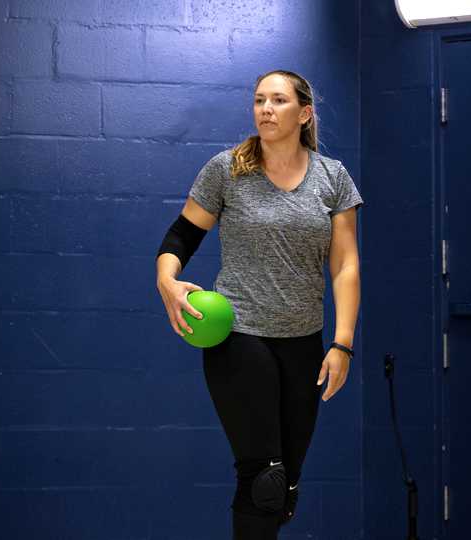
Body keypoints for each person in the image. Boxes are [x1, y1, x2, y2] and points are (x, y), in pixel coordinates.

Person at [155, 69, 364, 539]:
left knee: (285, 487)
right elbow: (182, 235)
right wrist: (166, 279)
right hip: (238, 336)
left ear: (304, 113)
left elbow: (345, 266)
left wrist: (343, 342)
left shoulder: (333, 179)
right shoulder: (228, 169)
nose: (265, 109)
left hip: (304, 342)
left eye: (278, 100)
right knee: (263, 478)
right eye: (259, 100)